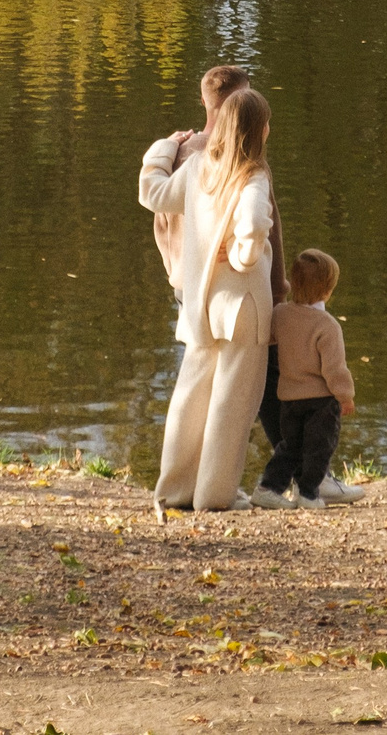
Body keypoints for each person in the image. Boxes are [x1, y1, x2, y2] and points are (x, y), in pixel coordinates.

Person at [140, 87, 277, 514]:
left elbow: (153, 194)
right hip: (244, 306)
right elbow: (254, 224)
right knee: (231, 404)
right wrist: (241, 256)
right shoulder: (253, 176)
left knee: (191, 396)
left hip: (202, 304)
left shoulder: (199, 165)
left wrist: (167, 146)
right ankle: (214, 497)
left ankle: (174, 490)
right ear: (262, 131)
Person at [252, 248, 364, 508]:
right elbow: (334, 369)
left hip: (289, 397)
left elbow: (269, 341)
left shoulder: (280, 314)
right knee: (319, 447)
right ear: (327, 290)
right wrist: (345, 396)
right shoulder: (327, 326)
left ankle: (268, 487)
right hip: (320, 401)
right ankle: (309, 493)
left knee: (289, 447)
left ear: (293, 282)